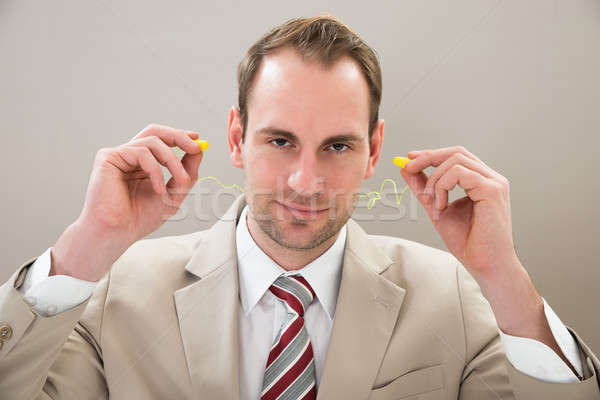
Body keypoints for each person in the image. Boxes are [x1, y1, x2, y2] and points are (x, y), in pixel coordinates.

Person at [0, 14, 598, 400]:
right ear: (236, 138)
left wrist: (504, 278)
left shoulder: (460, 299)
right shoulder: (111, 293)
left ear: (374, 150)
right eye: (280, 141)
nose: (306, 181)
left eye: (337, 145)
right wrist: (86, 247)